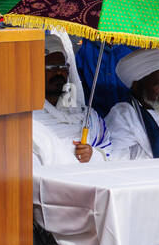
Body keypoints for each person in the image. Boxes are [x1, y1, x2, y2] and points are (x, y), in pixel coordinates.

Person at [32, 33, 115, 165]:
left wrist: (92, 154)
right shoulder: (28, 118)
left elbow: (109, 152)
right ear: (35, 71)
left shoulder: (86, 116)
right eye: (51, 67)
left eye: (63, 67)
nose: (59, 73)